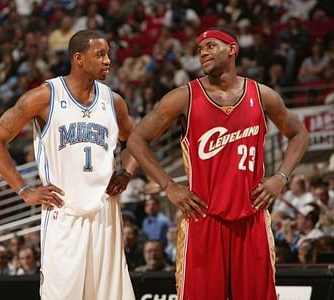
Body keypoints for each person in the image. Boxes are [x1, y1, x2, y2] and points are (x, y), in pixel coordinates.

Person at [127, 27, 309, 300]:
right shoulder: (184, 97)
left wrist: (280, 177)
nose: (203, 53)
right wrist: (169, 185)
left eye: (211, 46)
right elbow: (136, 139)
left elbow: (300, 134)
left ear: (232, 49)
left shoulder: (261, 95)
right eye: (200, 50)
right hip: (203, 219)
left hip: (251, 218)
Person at [0, 30, 137, 300]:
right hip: (63, 212)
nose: (108, 60)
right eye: (100, 54)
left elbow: (135, 142)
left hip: (105, 213)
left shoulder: (114, 101)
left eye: (109, 54)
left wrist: (126, 171)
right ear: (78, 58)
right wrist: (23, 190)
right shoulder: (44, 96)